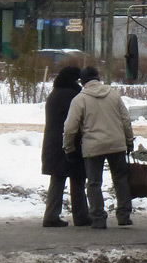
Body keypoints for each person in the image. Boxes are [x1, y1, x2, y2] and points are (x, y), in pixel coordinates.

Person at [63, 66, 135, 229]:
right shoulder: (113, 94)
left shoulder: (79, 100)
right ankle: (124, 215)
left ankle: (98, 218)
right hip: (117, 144)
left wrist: (69, 148)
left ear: (82, 81)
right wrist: (129, 141)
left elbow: (70, 128)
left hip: (93, 146)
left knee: (94, 183)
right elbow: (126, 120)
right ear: (98, 77)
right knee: (121, 180)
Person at [41, 66, 90, 227]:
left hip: (52, 143)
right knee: (77, 179)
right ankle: (81, 216)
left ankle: (51, 215)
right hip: (71, 142)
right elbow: (78, 121)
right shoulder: (74, 95)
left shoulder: (54, 95)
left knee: (57, 179)